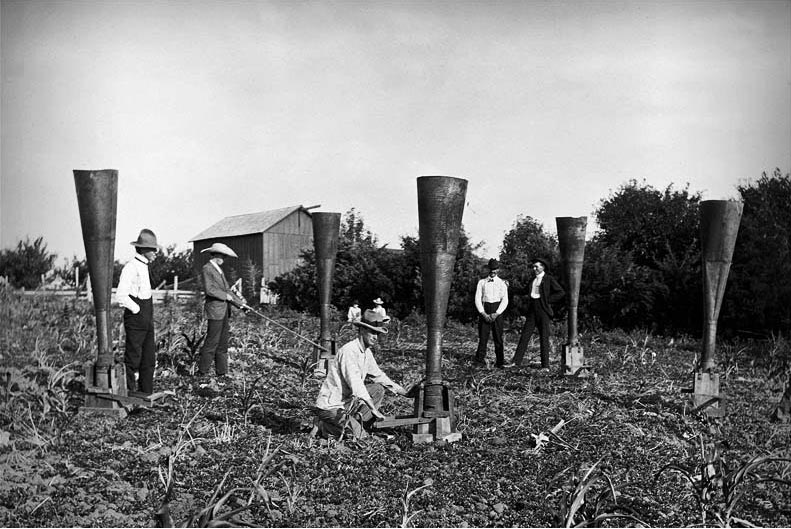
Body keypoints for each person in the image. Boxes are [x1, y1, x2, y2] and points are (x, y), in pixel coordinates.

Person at [314, 309, 408, 439]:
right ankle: (325, 425)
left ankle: (350, 424)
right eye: (372, 332)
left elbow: (378, 376)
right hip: (331, 406)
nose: (376, 337)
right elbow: (356, 384)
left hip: (347, 404)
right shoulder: (349, 351)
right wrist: (373, 409)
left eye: (378, 334)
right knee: (359, 437)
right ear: (362, 330)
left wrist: (403, 392)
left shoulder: (366, 352)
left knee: (377, 389)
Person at [116, 229, 161, 395]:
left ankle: (146, 393)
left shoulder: (145, 267)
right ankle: (128, 393)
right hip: (136, 319)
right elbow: (121, 296)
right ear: (143, 250)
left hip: (147, 319)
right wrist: (137, 310)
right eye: (153, 250)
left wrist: (146, 314)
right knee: (133, 358)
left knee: (149, 358)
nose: (156, 253)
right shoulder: (131, 267)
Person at [198, 242, 247, 381]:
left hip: (224, 310)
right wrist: (225, 296)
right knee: (212, 341)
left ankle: (222, 372)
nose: (224, 259)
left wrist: (241, 305)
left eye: (225, 256)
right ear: (215, 254)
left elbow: (227, 290)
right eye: (223, 256)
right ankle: (202, 372)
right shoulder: (207, 268)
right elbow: (210, 290)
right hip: (215, 310)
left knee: (223, 343)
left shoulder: (219, 270)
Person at [508, 258, 565, 368]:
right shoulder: (532, 280)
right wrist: (510, 287)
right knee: (525, 336)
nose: (534, 268)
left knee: (544, 337)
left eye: (536, 267)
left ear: (543, 267)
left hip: (543, 310)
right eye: (533, 266)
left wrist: (547, 300)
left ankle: (545, 366)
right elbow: (524, 290)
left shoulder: (549, 279)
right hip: (532, 310)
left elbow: (560, 292)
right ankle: (516, 362)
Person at [473, 258, 509, 368]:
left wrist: (497, 313)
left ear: (498, 270)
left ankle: (500, 362)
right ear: (488, 269)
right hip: (485, 309)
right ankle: (479, 361)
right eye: (491, 269)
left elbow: (505, 300)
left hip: (497, 310)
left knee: (498, 337)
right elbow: (477, 298)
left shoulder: (502, 283)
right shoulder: (482, 282)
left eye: (495, 269)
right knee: (483, 337)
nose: (493, 272)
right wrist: (483, 313)